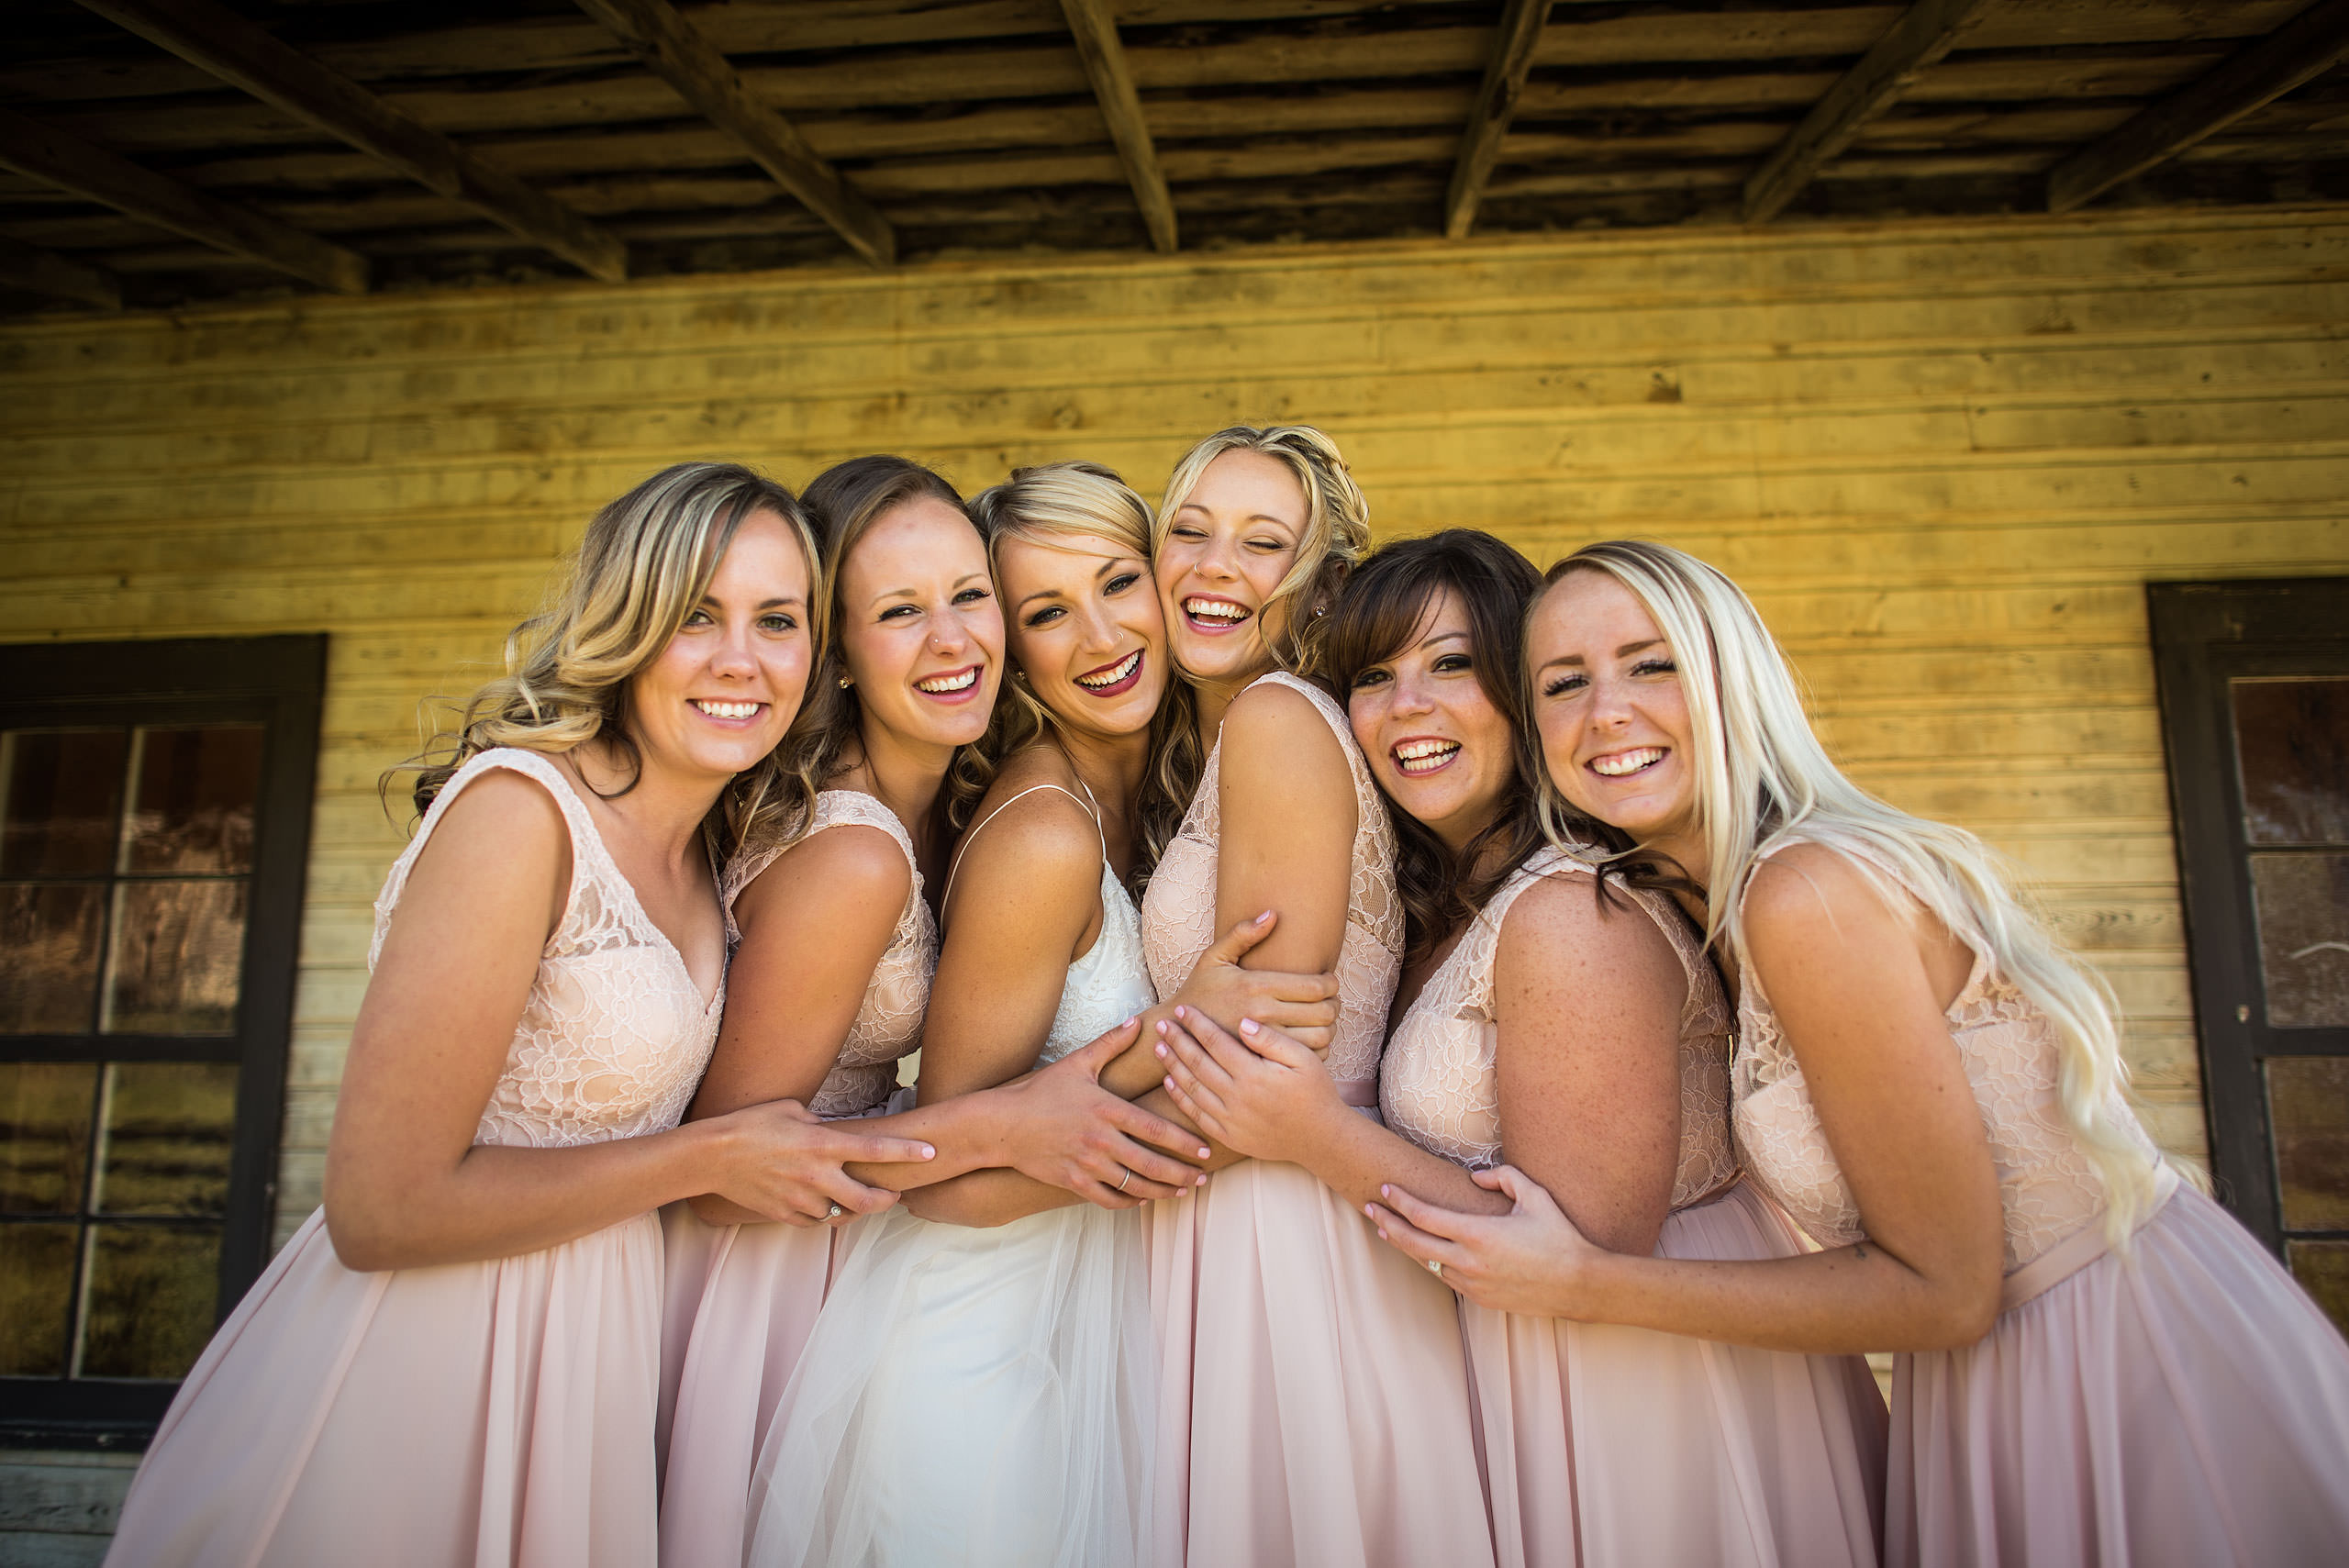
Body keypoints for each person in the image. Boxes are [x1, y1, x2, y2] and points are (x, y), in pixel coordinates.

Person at [1370, 539, 2349, 1567]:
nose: (1605, 709)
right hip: (1978, 1381)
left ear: (1729, 677)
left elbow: (1945, 1288)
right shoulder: (1702, 911)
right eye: (1563, 683)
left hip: (2113, 1362)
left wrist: (1582, 1282)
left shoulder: (1810, 892)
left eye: (1651, 663)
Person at [105, 462, 938, 1567]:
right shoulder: (520, 813)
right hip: (429, 1354)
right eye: (697, 614)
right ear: (627, 624)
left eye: (777, 619)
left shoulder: (708, 851)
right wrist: (703, 1157)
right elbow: (381, 1204)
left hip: (593, 1351)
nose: (742, 656)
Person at [1156, 529, 1886, 1568]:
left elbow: (1578, 1243)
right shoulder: (1452, 908)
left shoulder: (1570, 909)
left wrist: (1315, 1134)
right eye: (1374, 675)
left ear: (1519, 689)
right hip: (1520, 1371)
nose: (1408, 705)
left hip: (1641, 1397)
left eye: (1451, 663)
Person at [660, 456, 1206, 1566]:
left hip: (851, 1239)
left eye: (969, 598)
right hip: (767, 1276)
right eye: (900, 611)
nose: (954, 638)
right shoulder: (857, 850)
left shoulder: (951, 797)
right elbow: (718, 1175)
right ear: (837, 649)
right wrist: (1002, 1122)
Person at [1126, 428, 1492, 1567]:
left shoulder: (1279, 720)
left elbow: (1250, 1074)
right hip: (1260, 1218)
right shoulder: (1252, 734)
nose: (1213, 566)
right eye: (1188, 530)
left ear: (1322, 582)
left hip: (1266, 1241)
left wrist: (1005, 1159)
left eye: (1261, 542)